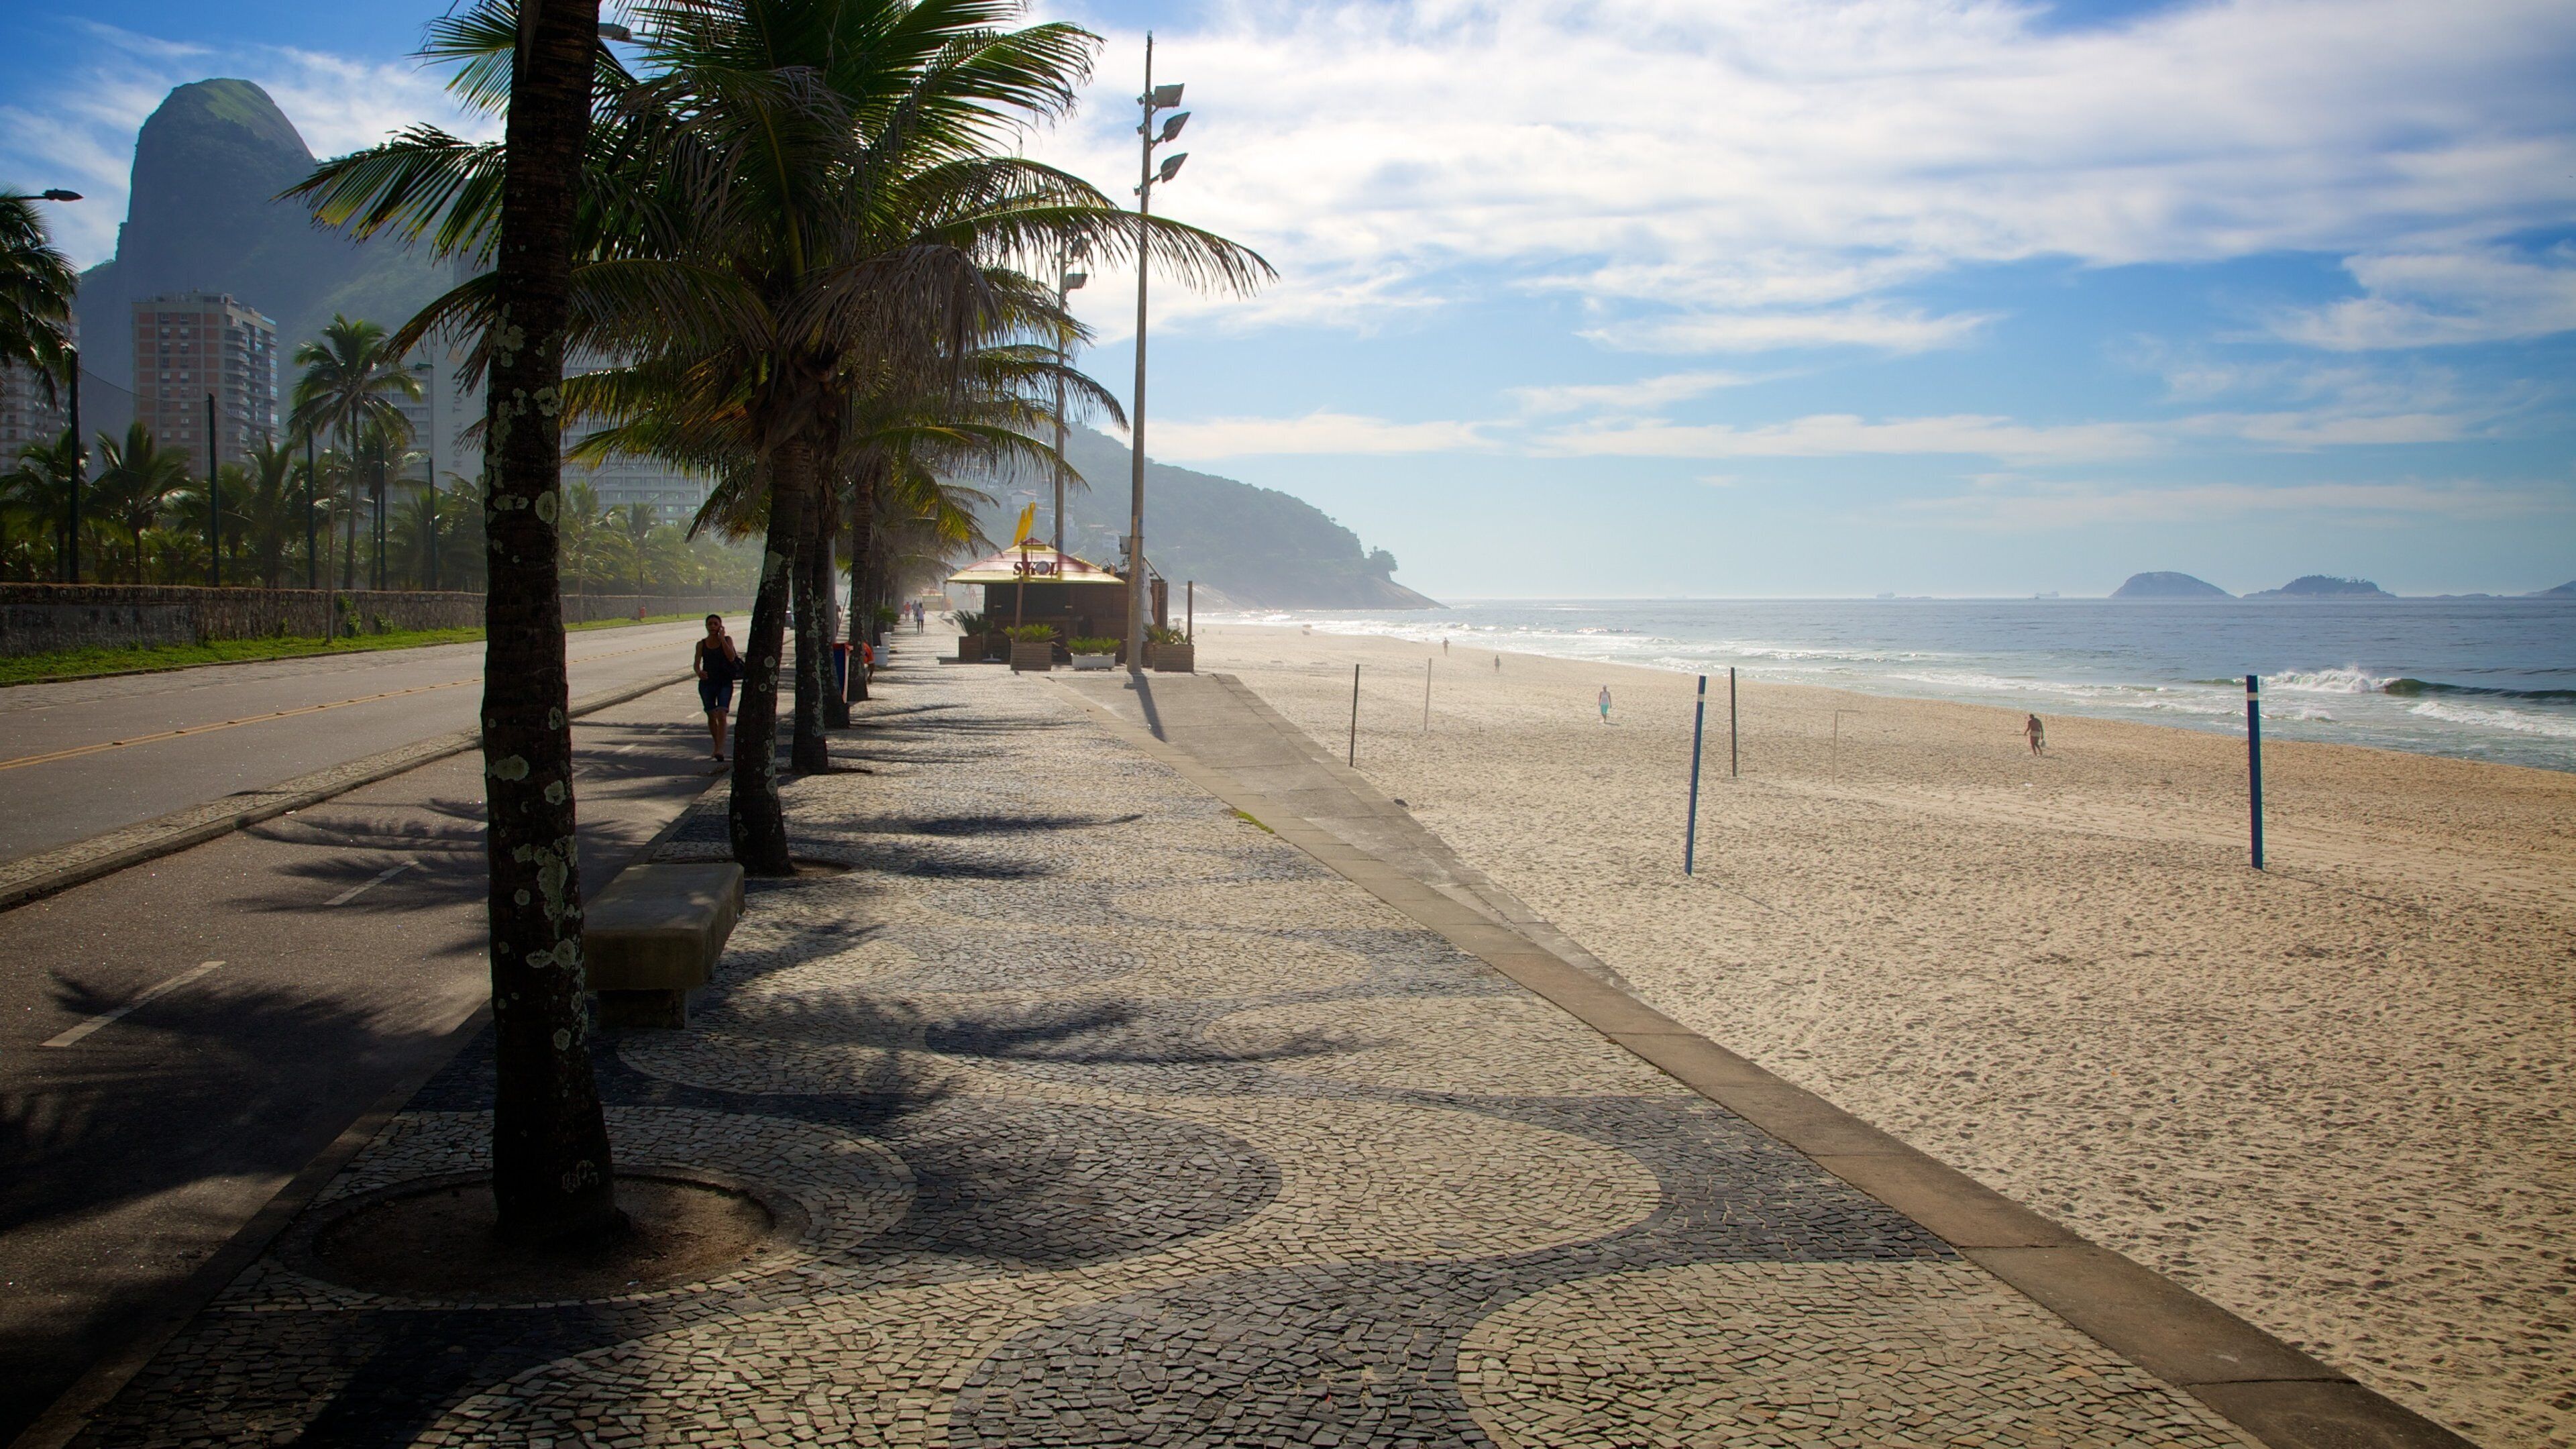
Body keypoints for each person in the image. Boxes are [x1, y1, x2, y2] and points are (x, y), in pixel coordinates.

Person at [694, 614, 742, 764]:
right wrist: (699, 672)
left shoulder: (727, 640)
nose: (713, 626)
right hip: (707, 683)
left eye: (715, 624)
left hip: (724, 682)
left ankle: (720, 749)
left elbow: (731, 657)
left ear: (720, 625)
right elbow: (696, 663)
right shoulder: (701, 644)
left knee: (722, 714)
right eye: (710, 624)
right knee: (711, 715)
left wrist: (722, 639)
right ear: (706, 626)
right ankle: (716, 745)